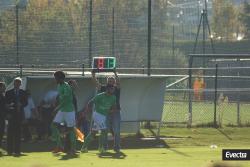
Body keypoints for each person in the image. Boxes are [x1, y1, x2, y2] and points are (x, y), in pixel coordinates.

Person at [92, 69, 121, 152]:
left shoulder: (117, 88)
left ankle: (117, 146)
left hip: (116, 112)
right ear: (107, 81)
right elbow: (96, 83)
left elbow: (119, 83)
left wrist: (115, 73)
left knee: (117, 130)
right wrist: (93, 75)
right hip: (105, 113)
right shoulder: (103, 88)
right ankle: (104, 147)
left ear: (114, 82)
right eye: (109, 81)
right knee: (105, 130)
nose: (111, 82)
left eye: (112, 81)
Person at [81, 84, 116, 154]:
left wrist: (112, 110)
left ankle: (83, 148)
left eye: (113, 89)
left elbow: (113, 106)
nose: (113, 90)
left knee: (93, 132)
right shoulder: (100, 96)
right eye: (111, 89)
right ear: (107, 89)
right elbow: (90, 102)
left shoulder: (113, 97)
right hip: (97, 115)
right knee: (104, 130)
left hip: (103, 116)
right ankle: (100, 148)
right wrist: (86, 112)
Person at [51, 71, 76, 155]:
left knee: (71, 129)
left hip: (69, 111)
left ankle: (73, 149)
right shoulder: (59, 85)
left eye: (56, 78)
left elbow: (66, 100)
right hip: (62, 110)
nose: (55, 80)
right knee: (53, 126)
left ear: (60, 78)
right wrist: (56, 102)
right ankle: (60, 146)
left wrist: (57, 108)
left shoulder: (67, 87)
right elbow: (60, 97)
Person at [5, 77, 27, 156]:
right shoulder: (8, 92)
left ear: (20, 84)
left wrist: (21, 104)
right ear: (14, 83)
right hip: (11, 115)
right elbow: (6, 103)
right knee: (10, 133)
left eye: (18, 83)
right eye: (16, 83)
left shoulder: (23, 92)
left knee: (18, 134)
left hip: (19, 115)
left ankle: (17, 151)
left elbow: (26, 102)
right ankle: (9, 151)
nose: (17, 84)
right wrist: (7, 114)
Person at [0, 82, 6, 149]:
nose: (4, 88)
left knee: (1, 132)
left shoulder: (3, 95)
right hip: (1, 116)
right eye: (3, 86)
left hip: (2, 117)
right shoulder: (2, 96)